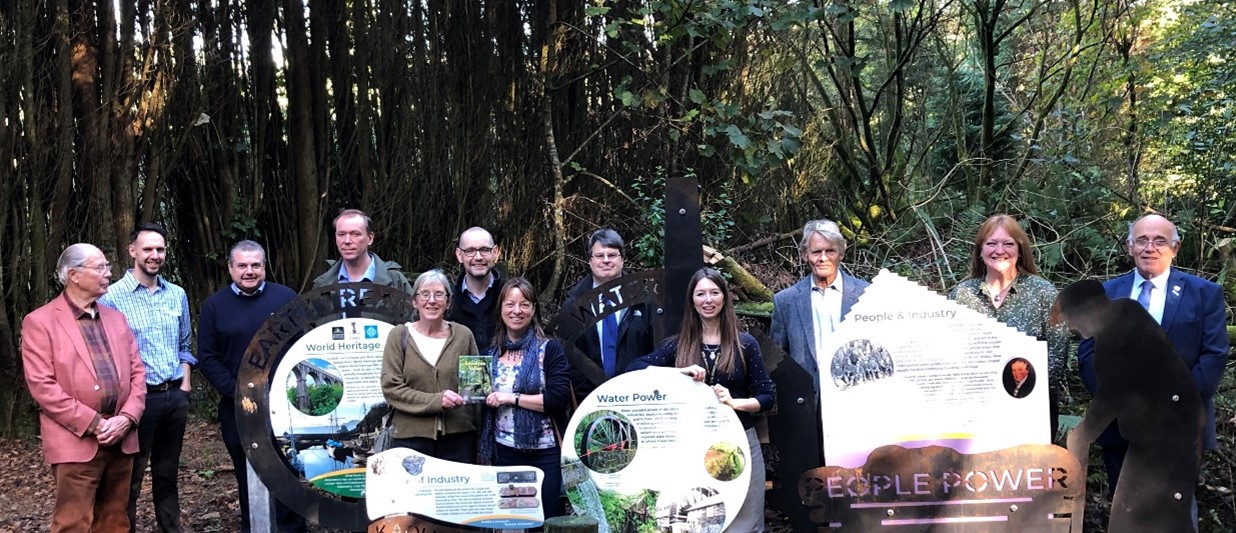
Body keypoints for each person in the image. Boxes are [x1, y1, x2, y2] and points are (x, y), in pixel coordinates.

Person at [1077, 214, 1229, 496]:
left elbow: (1214, 356)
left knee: (1174, 517)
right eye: (1142, 240)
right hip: (1121, 428)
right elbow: (1087, 355)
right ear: (1129, 246)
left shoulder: (1204, 294)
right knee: (1124, 516)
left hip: (1179, 428)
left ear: (1176, 248)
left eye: (1160, 241)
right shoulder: (1106, 294)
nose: (1150, 248)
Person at [628, 268, 776, 532]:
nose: (708, 300)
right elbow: (634, 369)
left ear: (724, 298)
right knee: (699, 520)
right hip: (692, 448)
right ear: (692, 301)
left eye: (714, 292)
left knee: (745, 521)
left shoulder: (745, 344)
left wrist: (735, 403)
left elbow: (766, 396)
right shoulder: (678, 345)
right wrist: (676, 373)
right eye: (701, 293)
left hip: (739, 444)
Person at [23, 243, 146, 532]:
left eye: (107, 267)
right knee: (73, 523)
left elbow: (138, 375)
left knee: (115, 521)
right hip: (76, 441)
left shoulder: (116, 318)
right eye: (100, 267)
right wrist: (94, 424)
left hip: (122, 438)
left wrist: (127, 419)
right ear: (74, 275)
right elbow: (43, 387)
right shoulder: (40, 322)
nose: (108, 274)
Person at [196, 240, 306, 532]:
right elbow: (207, 357)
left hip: (284, 405)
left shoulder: (286, 297)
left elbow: (302, 346)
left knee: (287, 470)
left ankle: (293, 528)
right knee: (248, 474)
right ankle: (255, 527)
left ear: (264, 267)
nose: (249, 271)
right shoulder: (214, 306)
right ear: (231, 268)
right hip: (237, 406)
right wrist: (238, 392)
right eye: (242, 265)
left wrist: (290, 390)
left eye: (255, 265)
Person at [98, 222, 194, 533]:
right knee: (131, 477)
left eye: (160, 249)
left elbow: (184, 344)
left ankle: (171, 528)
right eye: (148, 249)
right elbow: (106, 355)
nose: (154, 255)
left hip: (173, 396)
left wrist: (185, 384)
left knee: (167, 474)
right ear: (132, 252)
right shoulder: (111, 297)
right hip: (137, 401)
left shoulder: (176, 294)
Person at [948, 214, 1067, 440]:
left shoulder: (1044, 294)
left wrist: (1023, 398)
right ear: (980, 251)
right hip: (974, 418)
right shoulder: (961, 295)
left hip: (1031, 415)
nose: (999, 250)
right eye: (991, 243)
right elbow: (950, 354)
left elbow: (1056, 358)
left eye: (1008, 243)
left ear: (1020, 250)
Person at [479, 278, 572, 519]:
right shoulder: (491, 353)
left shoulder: (549, 349)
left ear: (533, 310)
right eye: (510, 304)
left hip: (545, 453)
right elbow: (482, 398)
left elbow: (557, 400)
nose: (517, 311)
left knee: (545, 519)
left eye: (524, 304)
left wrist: (511, 398)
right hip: (503, 452)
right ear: (500, 310)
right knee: (511, 522)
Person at [381, 269, 481, 463]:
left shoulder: (463, 335)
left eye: (439, 294)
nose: (432, 300)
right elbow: (391, 387)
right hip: (411, 439)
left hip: (459, 439)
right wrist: (436, 401)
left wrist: (480, 441)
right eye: (424, 294)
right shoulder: (399, 336)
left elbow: (476, 390)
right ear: (414, 301)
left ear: (448, 302)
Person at [770, 219, 870, 397]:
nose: (823, 258)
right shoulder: (785, 302)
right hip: (809, 403)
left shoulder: (867, 295)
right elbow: (777, 362)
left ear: (841, 252)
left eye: (830, 251)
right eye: (816, 251)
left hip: (858, 398)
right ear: (804, 255)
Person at [562, 229, 656, 399]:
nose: (606, 260)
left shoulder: (644, 301)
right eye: (599, 255)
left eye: (612, 255)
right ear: (590, 261)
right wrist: (588, 396)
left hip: (639, 399)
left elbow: (655, 348)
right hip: (590, 401)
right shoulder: (574, 304)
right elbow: (570, 358)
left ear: (622, 259)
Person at [312, 208, 413, 293]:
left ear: (370, 238)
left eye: (355, 234)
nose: (347, 241)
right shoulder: (323, 284)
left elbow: (414, 315)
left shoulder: (395, 281)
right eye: (341, 234)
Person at [446, 227, 504, 348]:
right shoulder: (447, 298)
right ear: (459, 255)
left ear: (495, 252)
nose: (478, 257)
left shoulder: (509, 295)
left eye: (484, 250)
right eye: (470, 250)